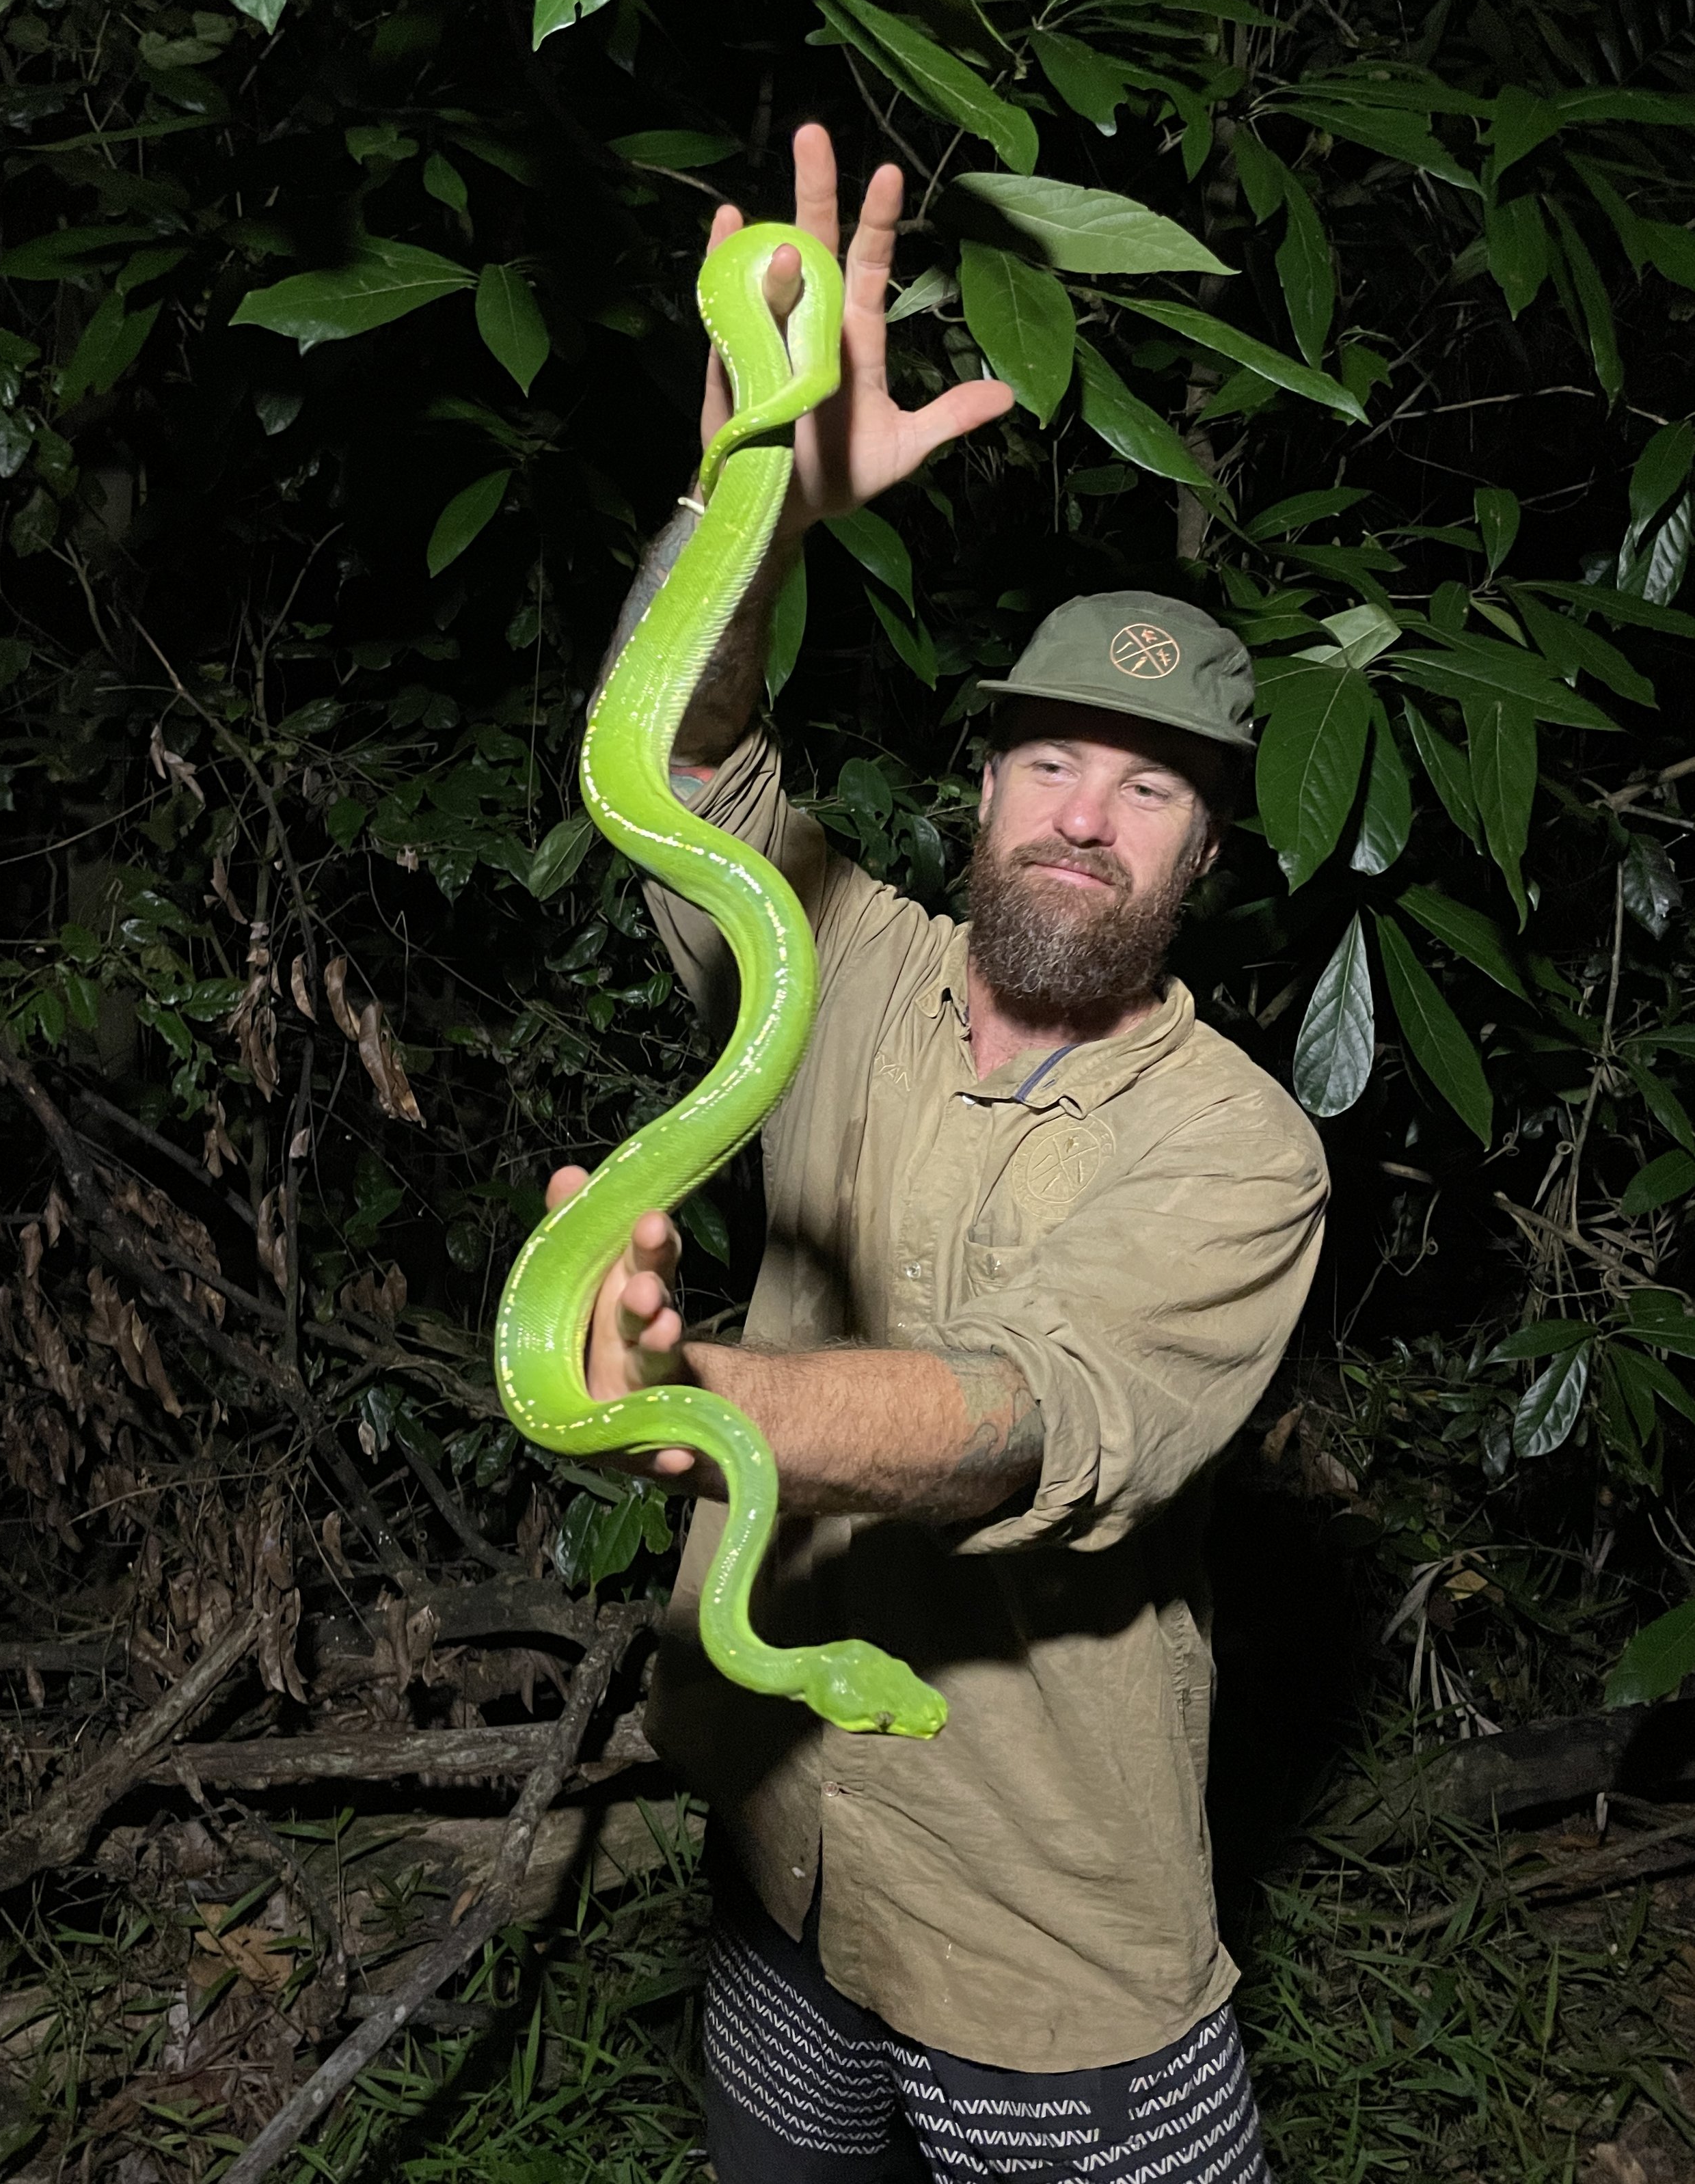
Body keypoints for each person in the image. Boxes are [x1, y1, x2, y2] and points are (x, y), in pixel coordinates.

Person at [545, 124, 1327, 2184]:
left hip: (1044, 1956)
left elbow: (1028, 1419)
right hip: (778, 1848)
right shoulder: (834, 960)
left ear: (1205, 862)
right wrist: (755, 514)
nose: (1086, 813)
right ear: (978, 791)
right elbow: (672, 755)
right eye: (1052, 758)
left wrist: (699, 1395)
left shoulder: (1240, 1150)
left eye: (1149, 791)